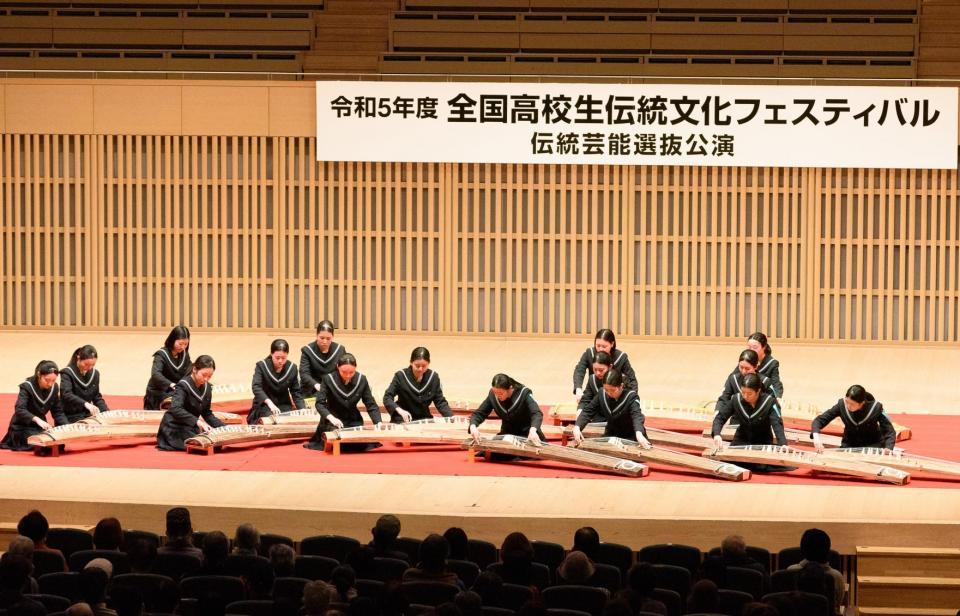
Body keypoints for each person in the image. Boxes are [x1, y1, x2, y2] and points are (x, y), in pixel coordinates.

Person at [303, 353, 381, 451]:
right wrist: (331, 418)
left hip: (353, 420)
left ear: (356, 368)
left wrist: (378, 422)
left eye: (352, 372)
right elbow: (320, 403)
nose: (348, 375)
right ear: (337, 367)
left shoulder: (362, 379)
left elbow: (371, 404)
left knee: (357, 443)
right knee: (337, 439)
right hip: (332, 420)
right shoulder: (328, 379)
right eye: (344, 372)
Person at [156, 355, 225, 451]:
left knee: (216, 443)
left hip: (190, 427)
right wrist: (198, 421)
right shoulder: (183, 385)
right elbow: (176, 408)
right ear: (194, 370)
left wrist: (224, 427)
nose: (206, 379)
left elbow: (207, 413)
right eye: (204, 375)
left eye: (209, 376)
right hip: (174, 428)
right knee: (205, 444)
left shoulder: (207, 387)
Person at [572, 368, 651, 448]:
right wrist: (577, 426)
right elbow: (588, 411)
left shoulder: (631, 396)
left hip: (631, 436)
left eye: (613, 390)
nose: (609, 393)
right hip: (611, 435)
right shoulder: (601, 393)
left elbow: (636, 416)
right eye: (606, 390)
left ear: (621, 386)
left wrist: (639, 433)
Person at [1, 360, 67, 451]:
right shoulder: (27, 387)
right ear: (39, 374)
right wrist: (37, 419)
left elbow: (58, 412)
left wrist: (67, 427)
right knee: (40, 444)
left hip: (38, 428)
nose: (50, 384)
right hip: (22, 427)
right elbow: (20, 409)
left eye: (54, 380)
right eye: (47, 380)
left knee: (58, 443)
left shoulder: (54, 388)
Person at [811, 385, 896, 453]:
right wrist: (816, 436)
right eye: (847, 401)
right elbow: (820, 420)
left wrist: (888, 447)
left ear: (862, 403)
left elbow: (889, 431)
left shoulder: (875, 408)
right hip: (849, 445)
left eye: (852, 404)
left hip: (872, 445)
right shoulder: (842, 405)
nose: (848, 406)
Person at [712, 373, 787, 448]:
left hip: (763, 441)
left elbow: (777, 424)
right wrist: (717, 434)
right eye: (743, 392)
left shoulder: (770, 402)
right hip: (741, 439)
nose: (745, 396)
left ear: (758, 391)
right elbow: (720, 417)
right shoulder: (736, 399)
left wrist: (783, 444)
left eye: (749, 393)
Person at [468, 373, 545, 446]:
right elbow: (479, 413)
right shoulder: (493, 395)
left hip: (527, 435)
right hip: (507, 436)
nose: (497, 396)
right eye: (495, 392)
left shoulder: (524, 393)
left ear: (510, 389)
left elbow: (536, 413)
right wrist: (473, 426)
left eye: (501, 393)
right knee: (488, 451)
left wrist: (533, 430)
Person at [383, 347, 453, 423]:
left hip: (423, 418)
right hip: (402, 418)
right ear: (411, 362)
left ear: (429, 363)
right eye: (417, 365)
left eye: (424, 366)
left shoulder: (433, 377)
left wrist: (451, 418)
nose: (420, 369)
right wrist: (399, 410)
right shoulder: (400, 376)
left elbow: (440, 402)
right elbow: (387, 397)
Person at [247, 339, 306, 424]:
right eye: (277, 358)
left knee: (290, 421)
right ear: (271, 354)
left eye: (283, 358)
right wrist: (270, 404)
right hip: (265, 405)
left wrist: (302, 408)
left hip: (283, 405)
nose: (280, 361)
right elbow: (256, 387)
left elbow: (295, 391)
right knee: (272, 421)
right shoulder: (261, 366)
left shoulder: (292, 368)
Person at [786, 528, 844, 613]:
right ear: (828, 551)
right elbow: (837, 605)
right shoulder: (836, 576)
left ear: (802, 550)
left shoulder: (790, 572)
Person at [572, 329, 638, 399]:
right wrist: (578, 388)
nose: (600, 349)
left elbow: (632, 379)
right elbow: (579, 370)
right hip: (595, 393)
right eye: (598, 346)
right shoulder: (589, 353)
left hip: (615, 397)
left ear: (612, 344)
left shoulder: (621, 357)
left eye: (604, 346)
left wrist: (633, 398)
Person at [715, 349, 775, 418]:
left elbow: (772, 404)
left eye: (747, 368)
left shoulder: (765, 381)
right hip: (737, 421)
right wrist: (717, 412)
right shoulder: (733, 379)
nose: (743, 371)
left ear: (756, 367)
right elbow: (724, 398)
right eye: (741, 367)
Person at [143, 325, 192, 410]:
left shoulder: (184, 354)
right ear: (172, 340)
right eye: (180, 344)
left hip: (175, 389)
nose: (183, 347)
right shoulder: (161, 355)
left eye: (186, 344)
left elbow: (189, 371)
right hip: (160, 391)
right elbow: (156, 374)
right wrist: (170, 384)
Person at [60, 345, 109, 422]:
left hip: (86, 415)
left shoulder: (95, 373)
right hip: (69, 416)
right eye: (86, 364)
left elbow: (96, 397)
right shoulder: (67, 373)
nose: (89, 368)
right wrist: (85, 404)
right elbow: (66, 394)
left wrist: (107, 413)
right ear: (78, 358)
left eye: (92, 365)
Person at [300, 320, 346, 398]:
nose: (325, 341)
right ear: (316, 335)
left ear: (333, 337)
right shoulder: (307, 350)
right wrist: (316, 385)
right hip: (313, 389)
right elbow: (304, 374)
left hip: (332, 388)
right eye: (322, 338)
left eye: (328, 338)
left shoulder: (340, 350)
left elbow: (343, 371)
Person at [575, 351, 614, 417]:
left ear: (610, 367)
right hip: (599, 418)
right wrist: (580, 410)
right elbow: (586, 399)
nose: (598, 373)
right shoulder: (592, 379)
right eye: (595, 369)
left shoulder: (619, 379)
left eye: (601, 370)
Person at [747, 332, 783, 399]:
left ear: (764, 347)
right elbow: (734, 377)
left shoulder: (772, 363)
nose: (751, 350)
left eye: (755, 347)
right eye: (749, 347)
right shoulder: (746, 359)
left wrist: (778, 397)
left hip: (763, 396)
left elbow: (776, 383)